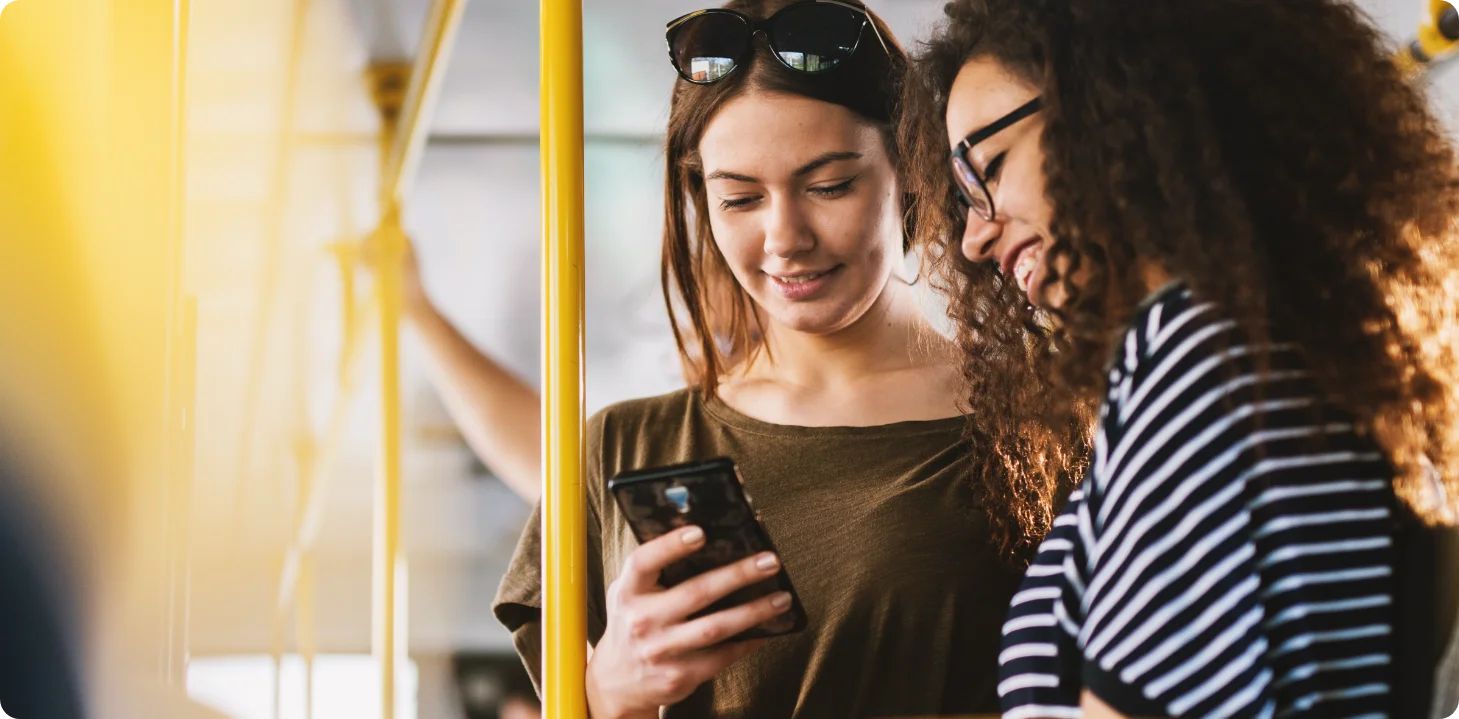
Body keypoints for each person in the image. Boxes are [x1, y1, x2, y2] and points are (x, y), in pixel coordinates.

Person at [493, 1, 1086, 716]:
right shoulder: (620, 448)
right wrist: (609, 693)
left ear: (910, 170)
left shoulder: (1047, 414)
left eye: (828, 186)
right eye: (739, 198)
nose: (784, 238)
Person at [900, 0, 1459, 716]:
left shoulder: (1203, 367)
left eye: (986, 170)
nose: (974, 237)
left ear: (1111, 109)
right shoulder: (1275, 346)